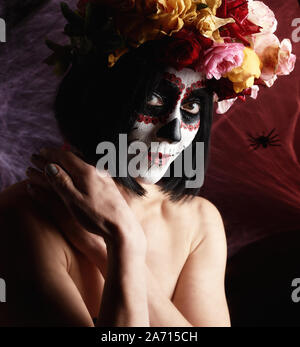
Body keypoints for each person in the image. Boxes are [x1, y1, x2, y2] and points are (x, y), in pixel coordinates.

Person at [0, 0, 294, 327]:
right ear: (100, 96)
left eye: (193, 108)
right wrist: (124, 242)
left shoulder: (199, 222)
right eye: (154, 100)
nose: (175, 131)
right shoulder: (22, 215)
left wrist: (117, 249)